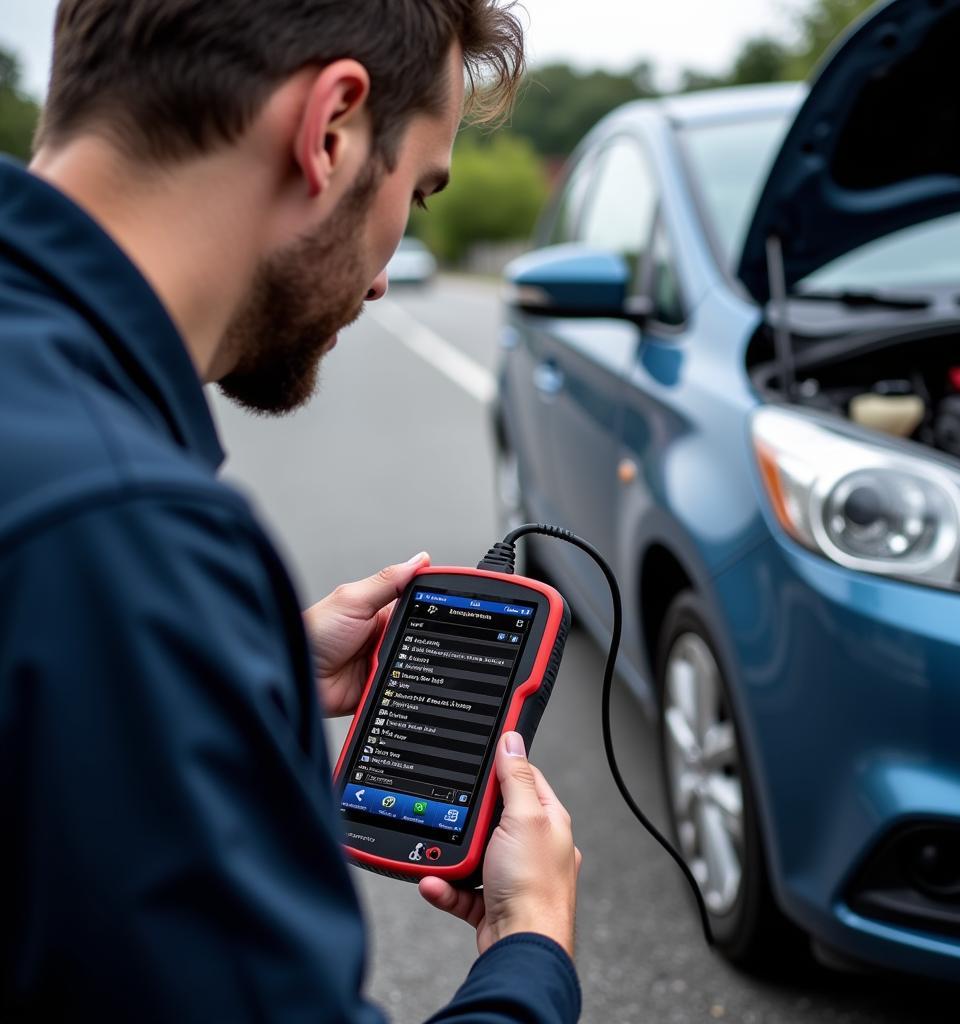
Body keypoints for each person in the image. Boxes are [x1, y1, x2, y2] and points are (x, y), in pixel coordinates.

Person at [0, 1, 582, 1020]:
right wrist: (528, 949)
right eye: (421, 193)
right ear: (330, 132)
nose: (386, 279)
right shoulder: (119, 537)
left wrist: (222, 660)